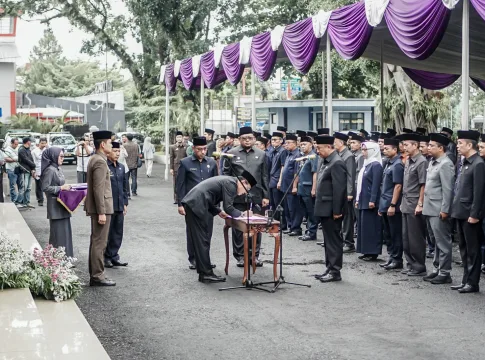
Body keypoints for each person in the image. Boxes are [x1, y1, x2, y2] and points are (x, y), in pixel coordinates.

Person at [181, 171, 257, 283]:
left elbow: (210, 195)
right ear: (243, 182)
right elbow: (229, 207)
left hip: (195, 203)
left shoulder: (228, 181)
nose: (244, 193)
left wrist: (218, 211)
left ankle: (204, 272)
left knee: (202, 241)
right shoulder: (231, 184)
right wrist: (242, 215)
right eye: (247, 190)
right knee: (202, 241)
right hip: (196, 205)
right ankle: (206, 274)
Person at [223, 127, 269, 267]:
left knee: (256, 227)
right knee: (239, 227)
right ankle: (241, 256)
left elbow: (264, 176)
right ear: (239, 139)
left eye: (250, 138)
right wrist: (228, 196)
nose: (247, 140)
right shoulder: (231, 153)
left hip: (256, 195)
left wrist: (266, 196)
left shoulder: (262, 154)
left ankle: (254, 255)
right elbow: (226, 176)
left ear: (254, 139)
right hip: (238, 196)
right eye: (244, 138)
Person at [450, 130, 485, 293]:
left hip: (470, 214)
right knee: (463, 248)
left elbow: (479, 193)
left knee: (473, 250)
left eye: (460, 143)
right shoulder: (465, 162)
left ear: (470, 145)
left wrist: (474, 214)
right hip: (460, 211)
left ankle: (473, 282)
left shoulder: (478, 164)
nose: (457, 146)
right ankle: (466, 280)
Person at [177, 137, 218, 269]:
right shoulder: (185, 163)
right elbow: (180, 185)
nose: (202, 152)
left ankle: (205, 259)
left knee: (207, 232)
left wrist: (216, 205)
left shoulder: (211, 163)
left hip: (208, 204)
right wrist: (180, 204)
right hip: (192, 204)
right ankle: (194, 258)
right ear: (193, 149)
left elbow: (216, 184)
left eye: (205, 149)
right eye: (199, 149)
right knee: (193, 232)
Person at [421, 133, 455, 285]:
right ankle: (436, 269)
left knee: (443, 241)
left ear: (441, 148)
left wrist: (445, 209)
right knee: (434, 241)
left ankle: (445, 272)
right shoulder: (433, 162)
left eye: (431, 146)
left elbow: (448, 189)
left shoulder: (446, 164)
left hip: (438, 208)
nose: (428, 148)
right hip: (430, 208)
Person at [313, 135, 347, 283]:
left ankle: (335, 271)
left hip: (332, 209)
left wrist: (337, 211)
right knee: (328, 240)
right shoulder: (325, 161)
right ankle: (329, 267)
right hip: (324, 207)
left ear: (329, 147)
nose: (317, 151)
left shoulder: (337, 163)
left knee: (333, 241)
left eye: (319, 148)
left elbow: (339, 189)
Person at [85, 130, 116, 287]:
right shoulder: (100, 161)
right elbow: (98, 189)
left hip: (101, 207)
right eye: (110, 142)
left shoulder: (96, 159)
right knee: (99, 242)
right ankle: (98, 275)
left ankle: (95, 274)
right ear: (103, 145)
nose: (112, 145)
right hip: (102, 208)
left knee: (96, 241)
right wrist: (102, 212)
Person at [401, 133, 428, 276]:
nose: (404, 147)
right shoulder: (409, 161)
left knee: (415, 236)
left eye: (407, 145)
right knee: (406, 237)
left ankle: (419, 265)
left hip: (414, 202)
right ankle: (410, 263)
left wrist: (420, 203)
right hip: (406, 202)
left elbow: (423, 184)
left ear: (415, 145)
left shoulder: (421, 161)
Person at [40, 147, 74, 256]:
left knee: (65, 233)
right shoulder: (50, 170)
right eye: (61, 156)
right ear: (54, 156)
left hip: (63, 204)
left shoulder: (58, 168)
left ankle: (66, 257)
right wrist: (60, 188)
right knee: (57, 234)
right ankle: (57, 258)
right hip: (55, 206)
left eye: (63, 156)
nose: (63, 159)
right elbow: (45, 187)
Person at [378, 138, 405, 270]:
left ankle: (397, 259)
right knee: (387, 233)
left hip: (392, 204)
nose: (384, 150)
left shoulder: (398, 164)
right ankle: (391, 257)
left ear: (395, 149)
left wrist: (393, 204)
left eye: (387, 148)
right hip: (384, 202)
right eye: (384, 149)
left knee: (395, 233)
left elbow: (398, 186)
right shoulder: (388, 163)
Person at [355, 142, 383, 261]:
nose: (363, 152)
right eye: (362, 150)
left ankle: (373, 252)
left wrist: (372, 200)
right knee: (363, 227)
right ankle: (365, 250)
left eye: (365, 150)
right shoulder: (366, 164)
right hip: (363, 199)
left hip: (371, 201)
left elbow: (376, 184)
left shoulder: (376, 165)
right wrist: (358, 199)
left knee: (371, 227)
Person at [105, 142, 129, 268]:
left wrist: (125, 203)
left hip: (120, 204)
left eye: (118, 151)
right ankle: (106, 257)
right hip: (109, 204)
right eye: (114, 151)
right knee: (108, 232)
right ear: (109, 151)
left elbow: (124, 187)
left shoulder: (121, 167)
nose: (117, 154)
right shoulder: (105, 166)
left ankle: (114, 256)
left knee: (118, 232)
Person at [334, 132, 357, 252]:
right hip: (339, 190)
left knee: (347, 219)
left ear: (341, 143)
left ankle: (349, 242)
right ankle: (341, 240)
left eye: (335, 141)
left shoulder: (348, 156)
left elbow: (350, 176)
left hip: (346, 191)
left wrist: (349, 192)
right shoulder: (338, 154)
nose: (333, 144)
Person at [294, 136, 318, 241]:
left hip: (308, 187)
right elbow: (298, 173)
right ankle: (308, 231)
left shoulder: (313, 156)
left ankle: (312, 232)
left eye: (305, 144)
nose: (302, 146)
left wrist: (314, 188)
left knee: (311, 211)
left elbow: (315, 173)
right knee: (305, 211)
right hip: (301, 187)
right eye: (301, 144)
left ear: (311, 144)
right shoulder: (303, 156)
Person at [279, 133, 304, 236]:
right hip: (285, 185)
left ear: (295, 143)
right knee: (287, 208)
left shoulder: (297, 155)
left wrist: (294, 186)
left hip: (291, 185)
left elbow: (296, 172)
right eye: (286, 143)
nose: (286, 145)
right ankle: (290, 226)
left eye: (289, 143)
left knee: (294, 208)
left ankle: (296, 227)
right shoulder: (288, 154)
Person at [269, 132, 287, 230]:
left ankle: (282, 224)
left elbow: (282, 166)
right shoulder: (273, 151)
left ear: (281, 141)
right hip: (272, 179)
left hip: (277, 180)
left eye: (276, 140)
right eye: (272, 140)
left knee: (279, 204)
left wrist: (280, 180)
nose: (273, 142)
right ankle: (275, 223)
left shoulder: (282, 151)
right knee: (273, 203)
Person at [3, 138, 23, 207]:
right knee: (13, 186)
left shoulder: (18, 149)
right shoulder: (7, 150)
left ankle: (19, 200)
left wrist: (15, 159)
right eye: (15, 144)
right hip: (11, 169)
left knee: (20, 185)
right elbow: (6, 158)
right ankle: (14, 200)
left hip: (18, 168)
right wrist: (15, 159)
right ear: (11, 143)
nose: (16, 145)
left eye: (17, 144)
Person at [18, 137, 36, 209]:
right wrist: (33, 165)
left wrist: (33, 169)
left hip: (29, 170)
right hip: (24, 170)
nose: (31, 143)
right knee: (24, 187)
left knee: (29, 188)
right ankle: (19, 202)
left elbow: (31, 159)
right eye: (30, 141)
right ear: (27, 142)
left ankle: (26, 202)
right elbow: (26, 160)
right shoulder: (21, 150)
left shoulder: (28, 150)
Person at [170, 131, 188, 203]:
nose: (179, 138)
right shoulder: (172, 147)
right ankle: (176, 198)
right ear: (176, 138)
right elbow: (171, 157)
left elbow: (188, 157)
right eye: (177, 137)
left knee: (184, 183)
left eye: (180, 137)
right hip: (176, 167)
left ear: (182, 138)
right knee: (176, 183)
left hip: (184, 167)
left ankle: (184, 198)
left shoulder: (186, 147)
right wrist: (171, 168)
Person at [32, 137, 47, 207]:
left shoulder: (47, 150)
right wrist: (33, 171)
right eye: (42, 143)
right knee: (39, 186)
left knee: (47, 185)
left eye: (44, 143)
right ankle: (40, 199)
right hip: (38, 170)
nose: (43, 145)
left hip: (46, 170)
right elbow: (33, 162)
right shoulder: (34, 151)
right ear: (39, 143)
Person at [124, 133, 140, 197]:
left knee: (126, 179)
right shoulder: (136, 145)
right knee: (134, 178)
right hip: (134, 163)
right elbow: (138, 154)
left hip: (126, 164)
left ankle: (127, 192)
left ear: (127, 138)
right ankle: (134, 191)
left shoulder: (124, 145)